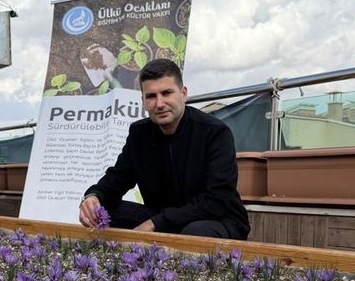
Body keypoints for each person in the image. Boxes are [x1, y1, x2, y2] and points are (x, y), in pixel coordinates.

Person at [78, 58, 250, 239]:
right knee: (101, 212)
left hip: (218, 220)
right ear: (143, 101)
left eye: (167, 93)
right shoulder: (139, 134)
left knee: (194, 232)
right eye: (151, 96)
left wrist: (155, 224)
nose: (159, 104)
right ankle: (110, 263)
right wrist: (94, 196)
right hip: (163, 218)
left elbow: (215, 200)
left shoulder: (215, 132)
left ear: (183, 94)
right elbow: (118, 177)